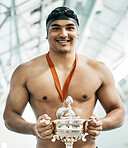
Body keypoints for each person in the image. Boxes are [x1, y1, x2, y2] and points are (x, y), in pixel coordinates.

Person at [3, 6, 125, 148]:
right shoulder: (25, 72)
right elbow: (10, 116)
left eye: (70, 28)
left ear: (77, 33)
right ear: (47, 34)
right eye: (55, 28)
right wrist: (33, 128)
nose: (63, 34)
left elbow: (118, 111)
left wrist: (100, 124)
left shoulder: (98, 70)